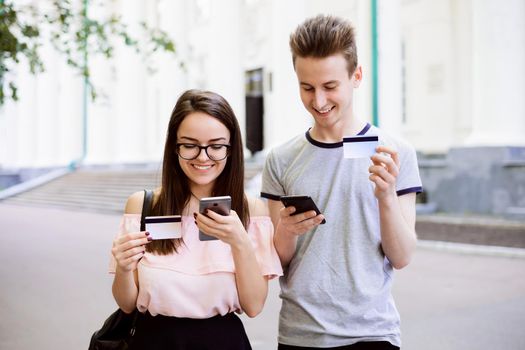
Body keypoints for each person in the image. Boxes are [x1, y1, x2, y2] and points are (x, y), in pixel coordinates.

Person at [261, 15, 422, 349]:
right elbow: (279, 260)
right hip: (300, 334)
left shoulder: (395, 153)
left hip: (372, 333)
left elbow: (402, 256)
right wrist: (286, 231)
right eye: (307, 88)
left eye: (330, 87)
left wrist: (387, 196)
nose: (318, 102)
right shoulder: (281, 158)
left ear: (356, 76)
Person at [110, 89, 283, 349]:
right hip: (153, 340)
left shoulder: (252, 211)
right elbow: (127, 303)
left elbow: (254, 306)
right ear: (174, 147)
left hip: (223, 341)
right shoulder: (143, 205)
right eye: (190, 146)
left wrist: (240, 242)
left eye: (216, 146)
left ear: (231, 148)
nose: (203, 157)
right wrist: (123, 268)